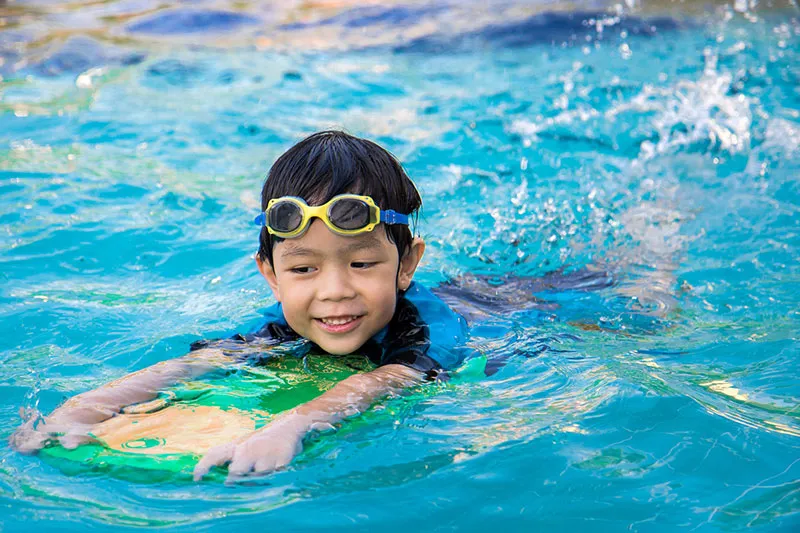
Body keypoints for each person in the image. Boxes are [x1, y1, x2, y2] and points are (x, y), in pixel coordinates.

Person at [10, 130, 471, 481]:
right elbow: (200, 362)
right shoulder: (285, 324)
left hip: (504, 303)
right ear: (270, 275)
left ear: (406, 264)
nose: (333, 291)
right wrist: (87, 407)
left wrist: (292, 426)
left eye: (363, 262)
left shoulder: (428, 328)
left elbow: (388, 380)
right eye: (303, 269)